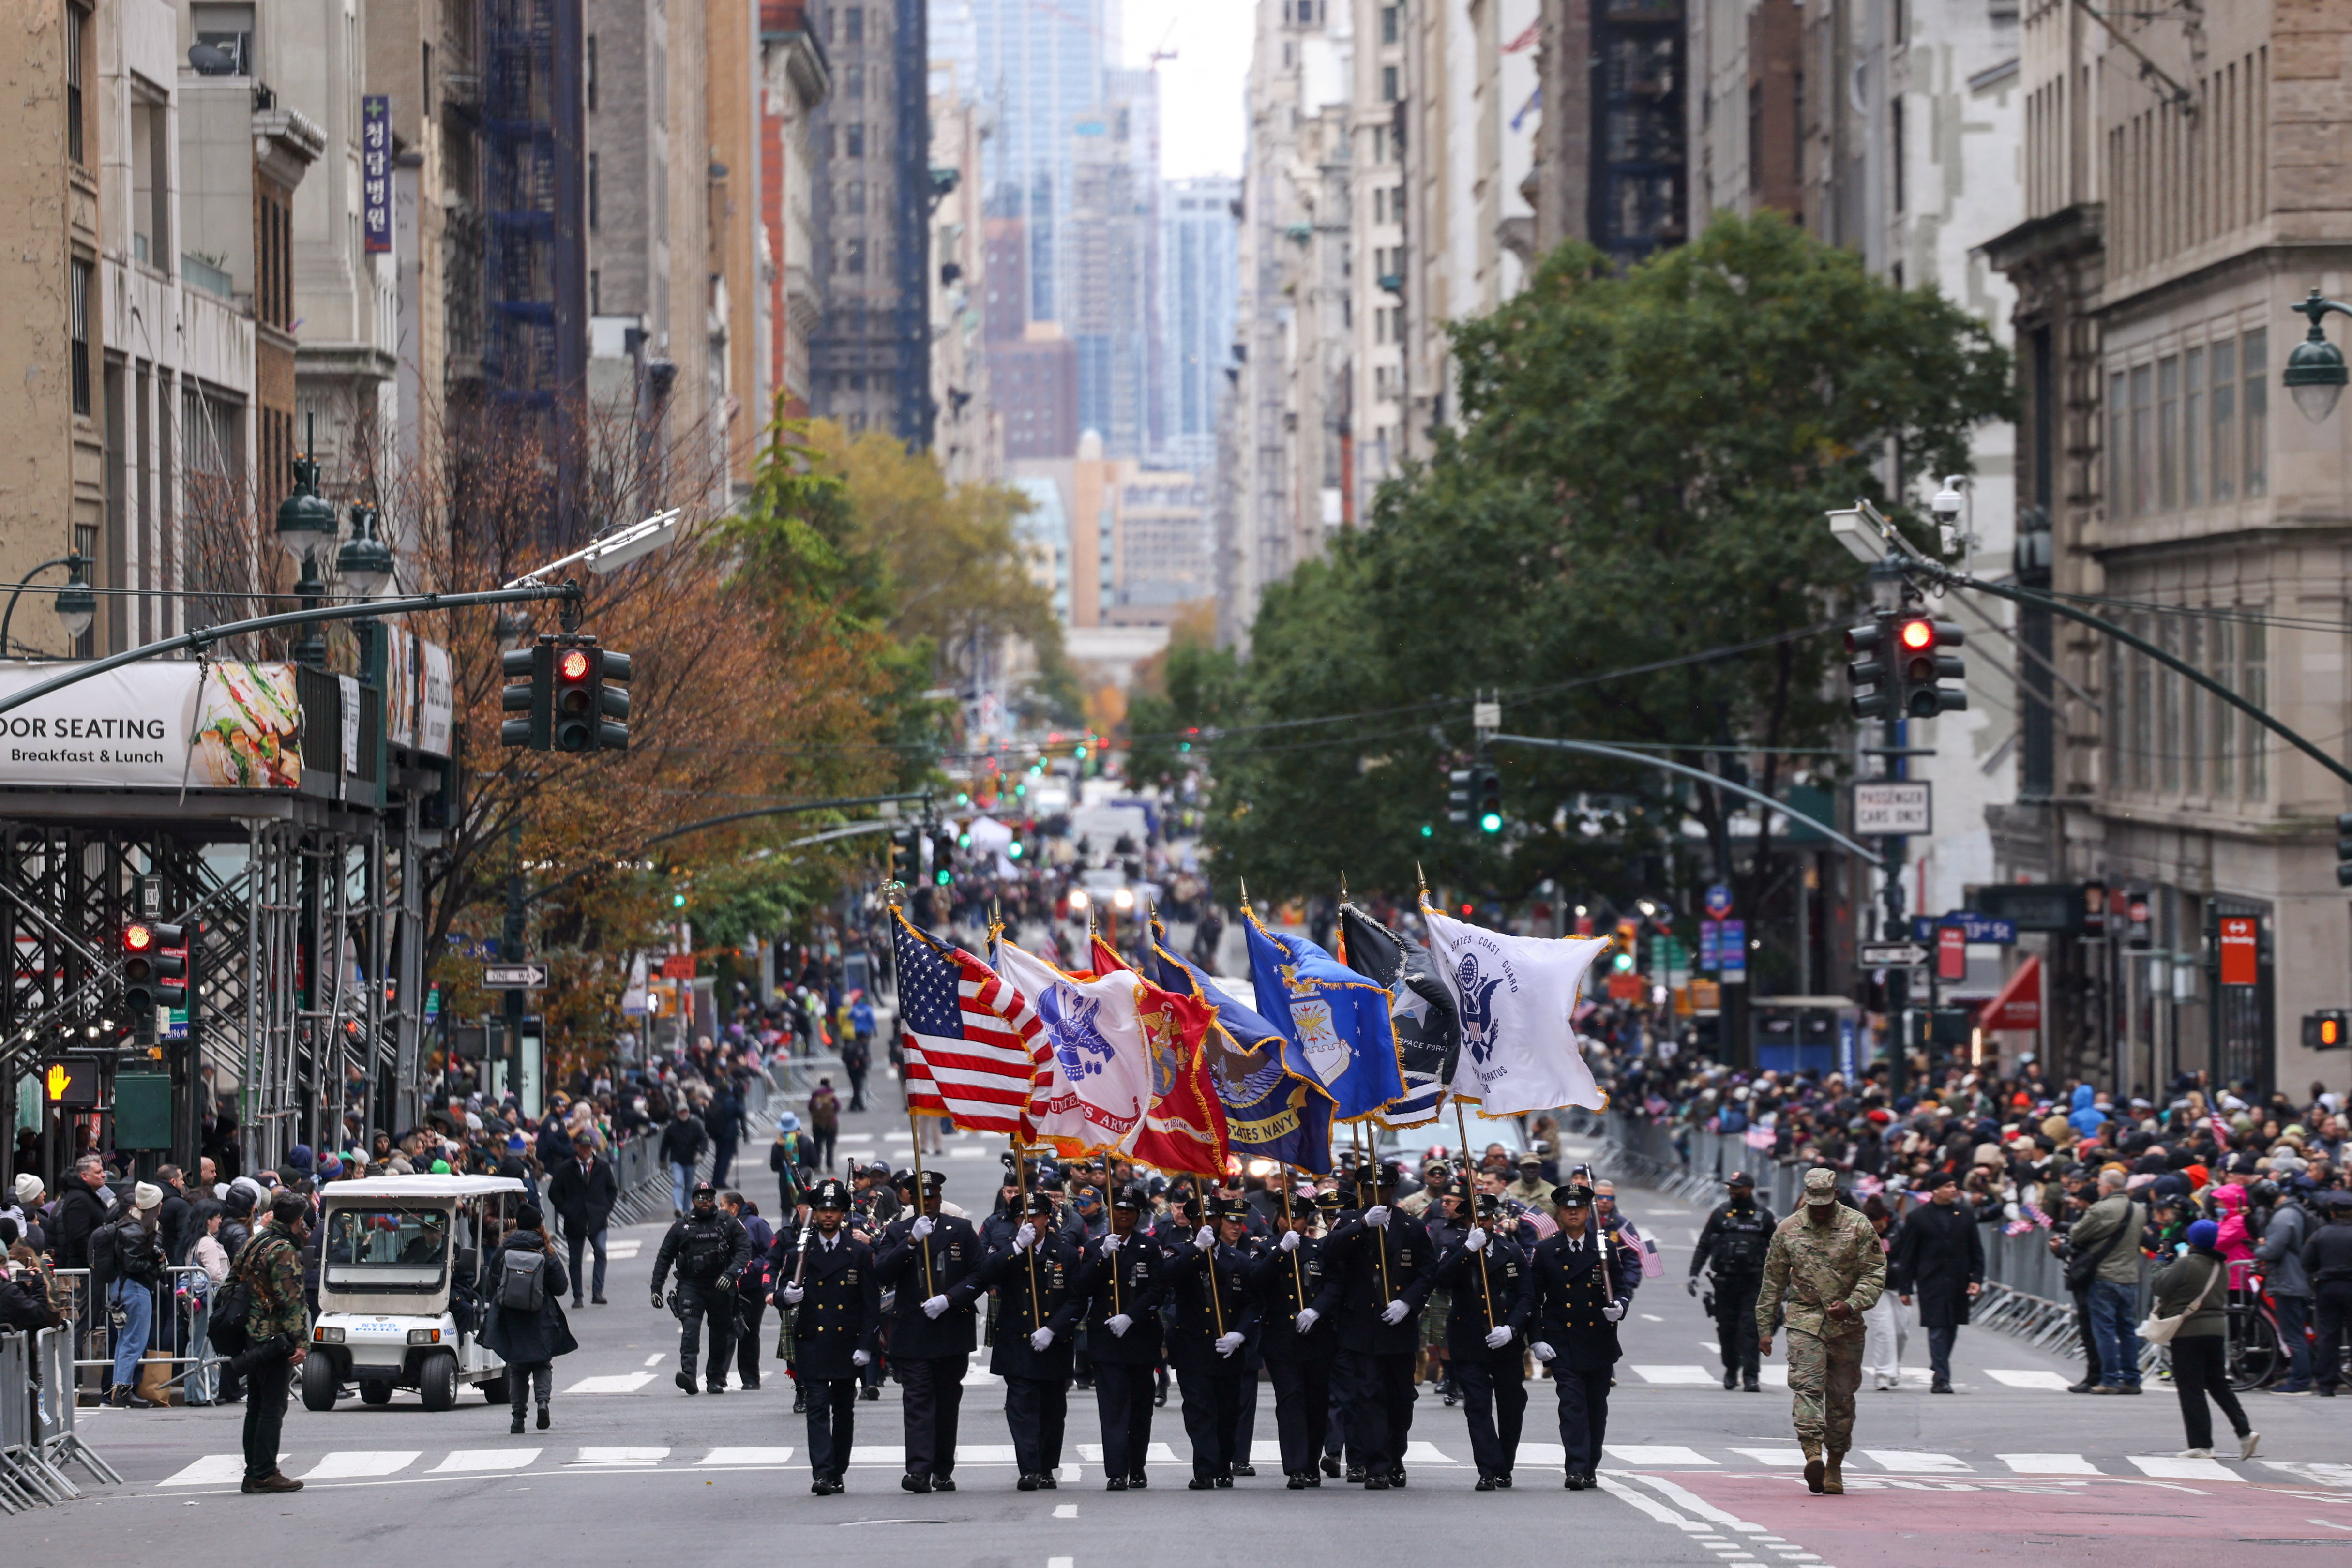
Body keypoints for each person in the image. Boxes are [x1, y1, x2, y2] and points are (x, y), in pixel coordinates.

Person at [1757, 1168, 1885, 1496]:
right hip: (1804, 1321)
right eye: (1813, 1204)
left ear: (1836, 1196)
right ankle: (1812, 1453)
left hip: (1846, 1326)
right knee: (1807, 1388)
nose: (1819, 1210)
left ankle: (1835, 1464)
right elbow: (1773, 1281)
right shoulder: (1788, 1230)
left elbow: (1874, 1272)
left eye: (1824, 1204)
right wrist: (1765, 1327)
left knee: (1842, 1399)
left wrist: (1853, 1304)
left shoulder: (1858, 1226)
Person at [1321, 1160, 1435, 1490]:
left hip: (1398, 1326)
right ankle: (1377, 1466)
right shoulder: (1349, 1221)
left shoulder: (1411, 1227)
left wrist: (1408, 1303)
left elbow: (1428, 1272)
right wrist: (1359, 1227)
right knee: (1369, 1396)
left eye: (1382, 1188)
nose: (1376, 1194)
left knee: (1401, 1399)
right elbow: (1328, 1253)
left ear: (1392, 1191)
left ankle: (1395, 1457)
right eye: (1369, 1188)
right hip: (1362, 1325)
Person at [874, 1168, 988, 1493]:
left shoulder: (962, 1230)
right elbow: (881, 1272)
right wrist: (910, 1242)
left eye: (934, 1196)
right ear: (911, 1199)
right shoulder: (897, 1231)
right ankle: (918, 1471)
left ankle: (942, 1468)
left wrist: (950, 1299)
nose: (930, 1203)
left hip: (951, 1328)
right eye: (922, 1198)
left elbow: (979, 1275)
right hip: (913, 1330)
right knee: (918, 1401)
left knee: (947, 1401)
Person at [774, 1178, 881, 1495]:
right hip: (813, 1343)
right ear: (815, 1214)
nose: (829, 1216)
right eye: (823, 1210)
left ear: (844, 1214)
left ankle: (838, 1469)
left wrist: (866, 1346)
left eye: (835, 1210)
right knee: (818, 1407)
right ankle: (822, 1472)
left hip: (846, 1344)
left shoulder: (859, 1252)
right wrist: (787, 1296)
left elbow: (870, 1305)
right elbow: (781, 1292)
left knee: (844, 1411)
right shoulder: (800, 1254)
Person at [1528, 1185, 1635, 1491]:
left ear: (1589, 1212)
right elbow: (1534, 1299)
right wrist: (1536, 1339)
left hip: (1598, 1340)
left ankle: (1590, 1466)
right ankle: (1575, 1468)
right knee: (1572, 1406)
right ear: (1559, 1214)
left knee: (1596, 1408)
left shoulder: (1605, 1249)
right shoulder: (1546, 1251)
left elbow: (1621, 1289)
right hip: (1563, 1341)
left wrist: (1620, 1308)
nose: (1573, 1213)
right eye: (1567, 1209)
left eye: (1579, 1208)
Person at [980, 1190, 1084, 1491]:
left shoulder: (1063, 1252)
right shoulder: (1006, 1249)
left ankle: (1047, 1466)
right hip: (1017, 1341)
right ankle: (1028, 1468)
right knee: (1022, 1409)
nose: (1030, 1222)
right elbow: (984, 1275)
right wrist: (1015, 1247)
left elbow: (1077, 1299)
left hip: (1053, 1342)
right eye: (1022, 1217)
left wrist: (1053, 1329)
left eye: (1035, 1216)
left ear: (1047, 1217)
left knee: (1052, 1411)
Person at [1433, 1191, 1536, 1490]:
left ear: (1495, 1220)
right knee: (1477, 1406)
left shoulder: (1511, 1251)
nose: (1482, 1224)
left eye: (1486, 1218)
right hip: (1469, 1340)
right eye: (1474, 1219)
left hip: (1505, 1342)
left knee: (1512, 1405)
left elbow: (1527, 1296)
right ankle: (1488, 1470)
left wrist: (1513, 1329)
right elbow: (1441, 1282)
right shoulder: (1454, 1248)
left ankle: (1504, 1464)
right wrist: (1467, 1250)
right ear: (1466, 1222)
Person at [1074, 1183, 1168, 1492]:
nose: (1124, 1215)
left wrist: (1131, 1316)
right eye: (1118, 1210)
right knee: (1114, 1410)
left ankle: (1137, 1467)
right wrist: (1102, 1256)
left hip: (1141, 1339)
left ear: (1138, 1215)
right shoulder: (1095, 1247)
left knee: (1141, 1410)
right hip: (1107, 1342)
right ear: (1110, 1213)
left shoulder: (1150, 1247)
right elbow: (1081, 1288)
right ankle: (1116, 1471)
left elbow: (1158, 1290)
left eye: (1129, 1211)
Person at [1248, 1184, 1341, 1490]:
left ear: (1306, 1221)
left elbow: (1333, 1287)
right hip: (1281, 1339)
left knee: (1316, 1403)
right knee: (1290, 1401)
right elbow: (1257, 1281)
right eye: (1285, 1216)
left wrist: (1316, 1310)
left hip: (1317, 1338)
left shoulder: (1319, 1250)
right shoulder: (1264, 1249)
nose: (1291, 1222)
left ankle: (1312, 1463)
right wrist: (1281, 1252)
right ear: (1278, 1220)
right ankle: (1296, 1467)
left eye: (1297, 1217)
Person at [1164, 1195, 1258, 1490]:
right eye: (1200, 1219)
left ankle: (1223, 1464)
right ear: (1192, 1223)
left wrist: (1240, 1334)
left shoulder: (1238, 1259)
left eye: (1214, 1218)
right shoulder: (1179, 1253)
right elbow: (1167, 1277)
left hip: (1227, 1349)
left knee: (1228, 1411)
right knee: (1198, 1409)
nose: (1208, 1224)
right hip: (1192, 1347)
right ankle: (1204, 1469)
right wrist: (1197, 1249)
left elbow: (1253, 1303)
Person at [2151, 1218, 2258, 1459]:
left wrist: (2159, 1263)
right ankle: (2245, 1431)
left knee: (2191, 1388)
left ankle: (2202, 1444)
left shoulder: (2188, 1263)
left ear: (2191, 1239)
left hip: (2189, 1331)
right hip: (2216, 1331)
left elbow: (2160, 1285)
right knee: (2218, 1383)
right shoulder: (2221, 1266)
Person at [238, 1192, 313, 1493]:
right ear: (297, 1222)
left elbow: (233, 1283)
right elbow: (292, 1300)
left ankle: (253, 1470)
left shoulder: (254, 1241)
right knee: (272, 1407)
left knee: (256, 1406)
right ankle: (264, 1472)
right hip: (274, 1337)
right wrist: (302, 1342)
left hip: (251, 1332)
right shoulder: (283, 1250)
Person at [482, 1204, 578, 1433]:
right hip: (540, 1316)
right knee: (542, 1363)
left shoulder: (504, 1248)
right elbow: (561, 1287)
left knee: (517, 1368)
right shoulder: (545, 1250)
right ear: (539, 1225)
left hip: (512, 1318)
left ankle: (518, 1418)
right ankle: (543, 1403)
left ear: (517, 1224)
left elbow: (493, 1280)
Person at [650, 1180, 752, 1394]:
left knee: (719, 1334)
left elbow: (744, 1249)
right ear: (693, 1200)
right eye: (699, 1198)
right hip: (691, 1285)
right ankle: (688, 1375)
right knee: (690, 1330)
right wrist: (656, 1288)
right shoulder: (682, 1225)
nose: (704, 1202)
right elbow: (665, 1256)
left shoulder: (728, 1222)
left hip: (720, 1285)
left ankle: (715, 1378)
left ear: (714, 1199)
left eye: (709, 1198)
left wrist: (731, 1274)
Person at [1888, 1172, 1984, 1394]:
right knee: (1937, 1325)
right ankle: (1942, 1376)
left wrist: (1977, 1278)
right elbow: (1908, 1255)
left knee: (1952, 1326)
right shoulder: (1918, 1217)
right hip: (1931, 1279)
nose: (1954, 1189)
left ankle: (1939, 1362)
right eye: (1949, 1186)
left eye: (1955, 1185)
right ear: (1935, 1190)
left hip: (1959, 1278)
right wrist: (1905, 1287)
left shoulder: (1966, 1215)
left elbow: (1976, 1250)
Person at [1689, 1170, 1775, 1392]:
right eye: (1731, 1187)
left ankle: (1751, 1376)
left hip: (1753, 1282)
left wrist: (1782, 1282)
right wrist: (1693, 1274)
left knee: (1750, 1329)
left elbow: (1780, 1249)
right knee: (1727, 1329)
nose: (1733, 1191)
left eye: (1738, 1187)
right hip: (1725, 1282)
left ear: (1750, 1189)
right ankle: (1730, 1369)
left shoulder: (1764, 1216)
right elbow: (1704, 1245)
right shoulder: (1720, 1214)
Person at [2064, 1168, 2146, 1394]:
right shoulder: (2138, 1209)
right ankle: (2132, 1378)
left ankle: (2109, 1379)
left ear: (2107, 1187)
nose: (2098, 1188)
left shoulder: (2101, 1209)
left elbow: (2077, 1233)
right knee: (2128, 1329)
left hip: (2104, 1275)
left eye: (2100, 1185)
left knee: (2105, 1330)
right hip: (2129, 1276)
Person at [97, 1182, 168, 1407]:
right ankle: (123, 1391)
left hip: (125, 1287)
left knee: (125, 1341)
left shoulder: (128, 1225)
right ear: (154, 1206)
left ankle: (120, 1389)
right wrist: (156, 1264)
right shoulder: (136, 1230)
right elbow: (134, 1264)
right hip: (135, 1288)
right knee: (134, 1341)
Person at [2253, 1181, 2315, 1394]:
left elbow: (2272, 1250)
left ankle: (2300, 1381)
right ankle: (2302, 1376)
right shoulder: (2292, 1213)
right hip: (2294, 1279)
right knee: (2296, 1332)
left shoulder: (2283, 1217)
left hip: (2289, 1281)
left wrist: (2259, 1248)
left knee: (2293, 1334)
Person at [546, 1130, 618, 1308]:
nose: (587, 1150)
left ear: (593, 1148)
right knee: (575, 1258)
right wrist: (567, 1210)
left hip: (598, 1219)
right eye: (583, 1147)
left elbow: (612, 1190)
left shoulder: (602, 1167)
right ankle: (578, 1296)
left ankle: (597, 1292)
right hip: (575, 1220)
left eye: (589, 1147)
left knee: (601, 1252)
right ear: (577, 1147)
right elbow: (554, 1192)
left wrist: (604, 1210)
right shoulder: (566, 1168)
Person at [2304, 1189, 2352, 1397]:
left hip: (2328, 1286)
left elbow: (2306, 1262)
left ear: (2332, 1212)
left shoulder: (2320, 1234)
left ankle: (2326, 1383)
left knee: (2328, 1335)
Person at [1858, 1197, 1903, 1390]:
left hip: (1899, 1282)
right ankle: (1883, 1373)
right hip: (1874, 1283)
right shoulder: (1859, 1232)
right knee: (1883, 1327)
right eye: (1875, 1227)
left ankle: (1894, 1367)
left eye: (1881, 1224)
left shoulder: (1899, 1228)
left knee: (1902, 1330)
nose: (1881, 1229)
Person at [658, 1107, 708, 1218]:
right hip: (677, 1160)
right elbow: (665, 1144)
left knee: (689, 1186)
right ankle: (678, 1207)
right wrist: (662, 1159)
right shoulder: (672, 1127)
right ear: (677, 1113)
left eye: (685, 1112)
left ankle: (686, 1210)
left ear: (689, 1113)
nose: (684, 1114)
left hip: (691, 1160)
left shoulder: (696, 1125)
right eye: (681, 1112)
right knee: (678, 1182)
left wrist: (701, 1152)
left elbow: (704, 1139)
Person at [808, 1079, 842, 1171]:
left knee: (818, 1147)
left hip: (817, 1124)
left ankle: (817, 1166)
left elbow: (810, 1107)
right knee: (830, 1147)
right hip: (831, 1124)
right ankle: (830, 1166)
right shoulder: (831, 1095)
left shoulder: (816, 1095)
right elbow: (838, 1107)